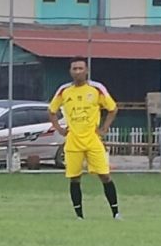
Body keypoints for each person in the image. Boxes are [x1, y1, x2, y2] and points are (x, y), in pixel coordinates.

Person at [48, 58, 121, 219]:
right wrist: (59, 129)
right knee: (74, 178)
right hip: (73, 141)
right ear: (70, 71)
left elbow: (113, 109)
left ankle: (116, 213)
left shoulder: (96, 88)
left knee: (105, 175)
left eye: (81, 68)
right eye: (75, 68)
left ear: (86, 70)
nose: (78, 71)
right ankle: (79, 216)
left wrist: (104, 128)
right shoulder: (64, 90)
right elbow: (51, 110)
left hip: (92, 140)